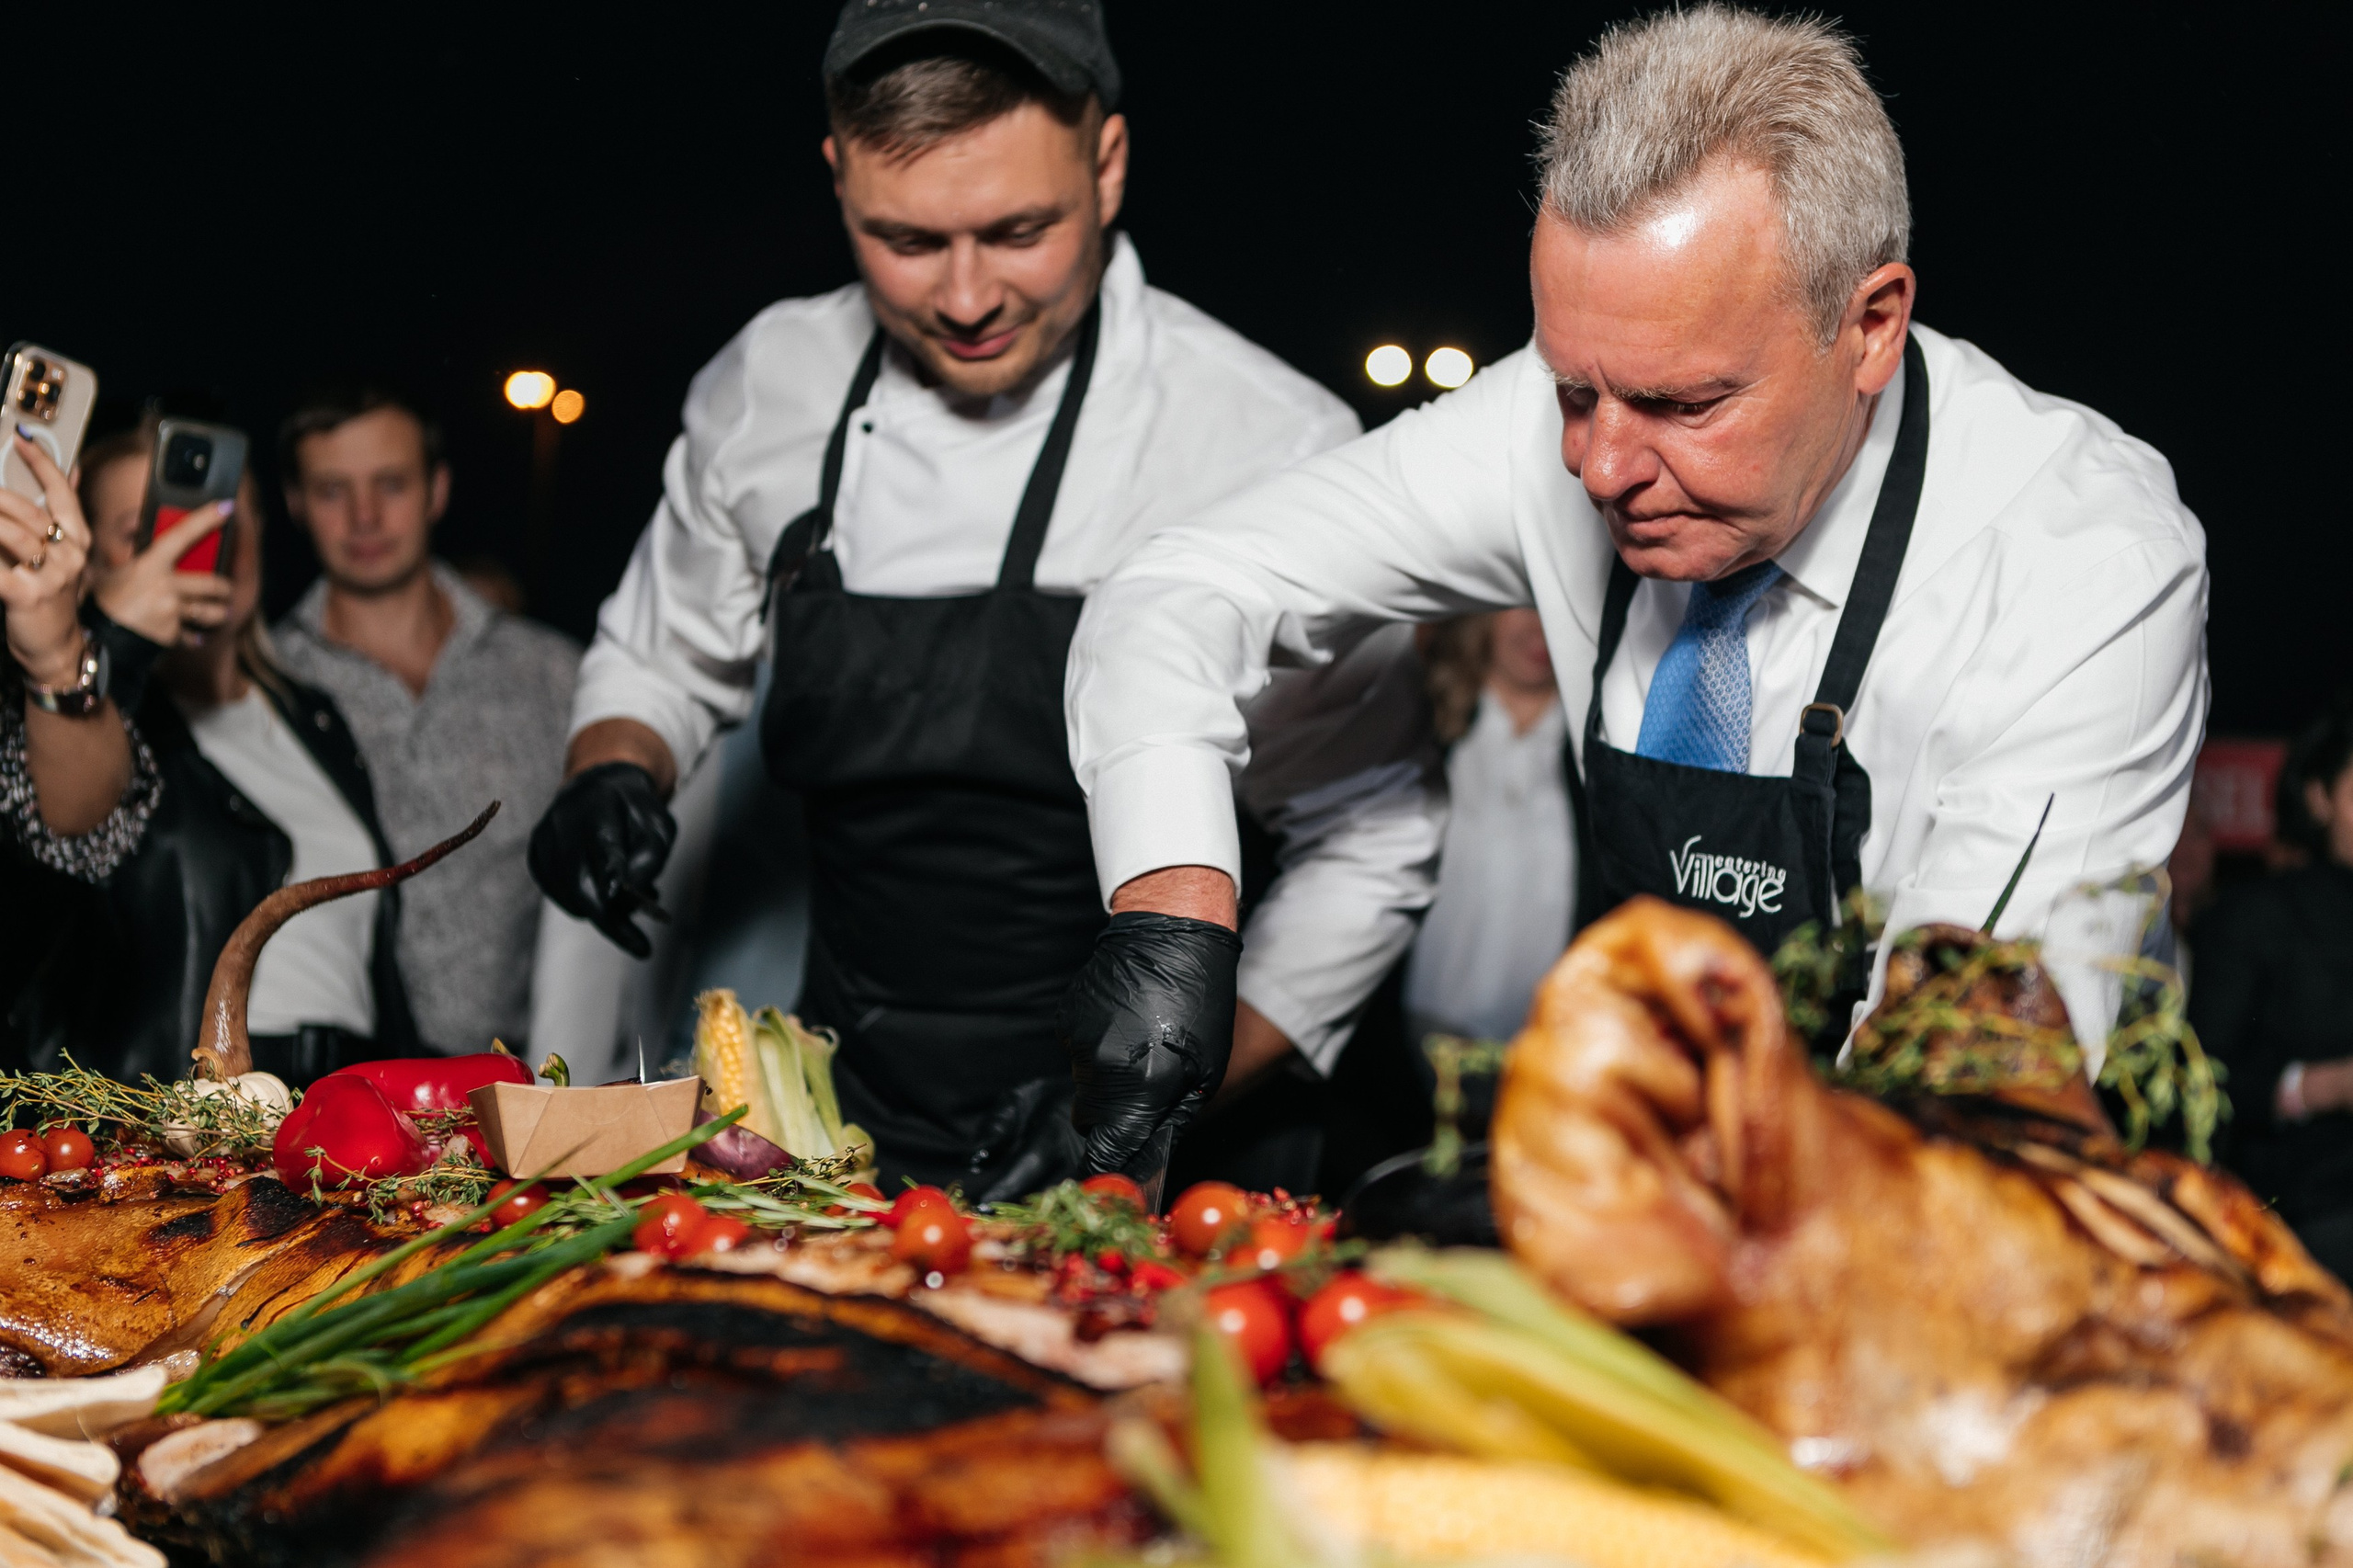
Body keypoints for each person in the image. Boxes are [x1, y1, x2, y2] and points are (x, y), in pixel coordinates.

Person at [1063, 7, 2207, 1051]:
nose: (1598, 466)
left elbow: (1960, 1080)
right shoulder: (1573, 416)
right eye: (1571, 390)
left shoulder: (2078, 558)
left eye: (1686, 405)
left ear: (1869, 327)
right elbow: (1182, 587)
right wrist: (1174, 908)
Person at [529, 0, 1438, 1196]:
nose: (964, 299)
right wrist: (614, 766)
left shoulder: (1260, 440)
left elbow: (1371, 830)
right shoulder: (771, 385)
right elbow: (662, 652)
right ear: (837, 179)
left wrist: (1168, 1083)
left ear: (1108, 164)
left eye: (1018, 231)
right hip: (838, 1127)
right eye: (905, 241)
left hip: (1167, 1146)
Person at [3, 418, 422, 1084]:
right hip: (172, 1131)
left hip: (339, 1122)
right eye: (145, 528)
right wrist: (94, 646)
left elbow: (373, 970)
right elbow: (66, 833)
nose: (190, 543)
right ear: (80, 564)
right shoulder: (71, 718)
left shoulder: (313, 717)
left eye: (217, 515)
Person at [272, 383, 580, 1054]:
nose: (364, 516)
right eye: (331, 491)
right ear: (295, 503)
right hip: (343, 1102)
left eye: (391, 484)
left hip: (542, 1090)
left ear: (437, 489)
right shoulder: (264, 685)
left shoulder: (553, 673)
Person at [2188, 702, 2353, 1280]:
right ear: (2319, 796)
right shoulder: (2259, 915)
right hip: (2300, 1208)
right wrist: (2320, 1087)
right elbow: (2202, 1082)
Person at [1404, 610, 1574, 1046]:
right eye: (1523, 600)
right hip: (1405, 1048)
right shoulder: (1410, 728)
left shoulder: (1602, 761)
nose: (1540, 626)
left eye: (1552, 603)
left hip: (1540, 1056)